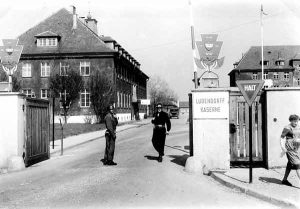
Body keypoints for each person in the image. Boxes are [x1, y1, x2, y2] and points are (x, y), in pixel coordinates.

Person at [280, 114, 300, 186]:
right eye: (294, 121)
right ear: (291, 120)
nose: (296, 123)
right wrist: (283, 147)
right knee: (297, 164)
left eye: (297, 121)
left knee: (290, 163)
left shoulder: (298, 127)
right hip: (290, 147)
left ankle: (284, 180)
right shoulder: (287, 127)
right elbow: (282, 137)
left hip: (297, 147)